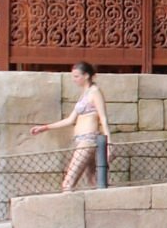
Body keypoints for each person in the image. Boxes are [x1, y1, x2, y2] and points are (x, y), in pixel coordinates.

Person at [31, 61, 110, 191]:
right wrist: (45, 127)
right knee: (94, 181)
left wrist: (109, 143)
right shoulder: (84, 93)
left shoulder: (95, 92)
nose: (74, 80)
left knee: (68, 183)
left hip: (88, 140)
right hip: (81, 140)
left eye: (76, 76)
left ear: (86, 75)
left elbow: (103, 118)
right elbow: (70, 120)